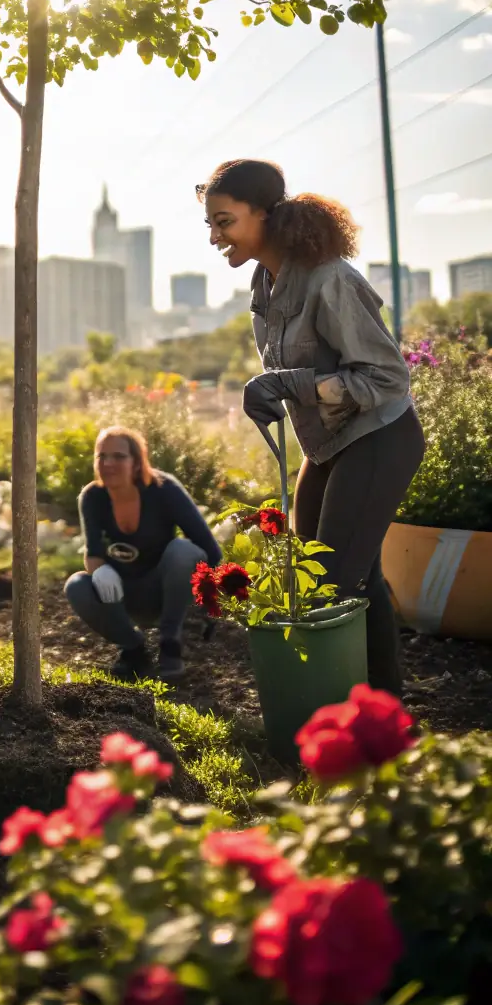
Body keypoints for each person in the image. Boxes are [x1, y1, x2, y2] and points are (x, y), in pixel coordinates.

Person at [198, 158, 424, 695]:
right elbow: (292, 373)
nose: (214, 236)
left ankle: (331, 723)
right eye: (209, 224)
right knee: (342, 576)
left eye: (224, 221)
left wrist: (294, 384)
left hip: (379, 436)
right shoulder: (265, 287)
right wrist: (270, 388)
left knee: (328, 587)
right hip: (328, 446)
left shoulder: (330, 279)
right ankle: (385, 721)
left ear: (265, 216)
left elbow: (388, 375)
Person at [64, 426, 222, 682]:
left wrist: (205, 601)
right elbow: (93, 552)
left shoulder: (164, 490)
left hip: (165, 591)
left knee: (182, 550)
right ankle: (133, 649)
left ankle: (171, 642)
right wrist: (99, 570)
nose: (108, 463)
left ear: (137, 462)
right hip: (123, 594)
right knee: (77, 585)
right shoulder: (92, 497)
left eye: (118, 456)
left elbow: (210, 550)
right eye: (101, 456)